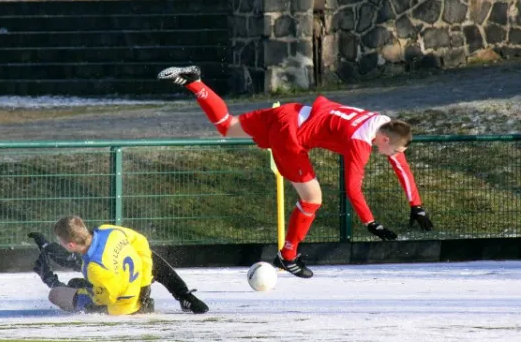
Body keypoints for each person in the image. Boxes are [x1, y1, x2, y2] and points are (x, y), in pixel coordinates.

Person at [157, 66, 433, 279]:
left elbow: (400, 160)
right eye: (395, 150)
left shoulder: (381, 121)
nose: (395, 156)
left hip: (291, 112)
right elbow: (352, 189)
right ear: (384, 140)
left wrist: (416, 204)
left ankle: (194, 82)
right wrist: (371, 223)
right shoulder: (360, 143)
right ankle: (288, 256)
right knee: (312, 198)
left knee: (228, 126)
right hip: (291, 136)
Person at [30, 216, 209, 315]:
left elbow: (105, 299)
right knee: (149, 257)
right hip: (138, 280)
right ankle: (184, 295)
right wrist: (145, 285)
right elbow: (141, 243)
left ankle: (51, 281)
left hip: (128, 305)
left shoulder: (94, 268)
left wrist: (51, 280)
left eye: (60, 242)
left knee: (61, 292)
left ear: (70, 245)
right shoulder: (109, 231)